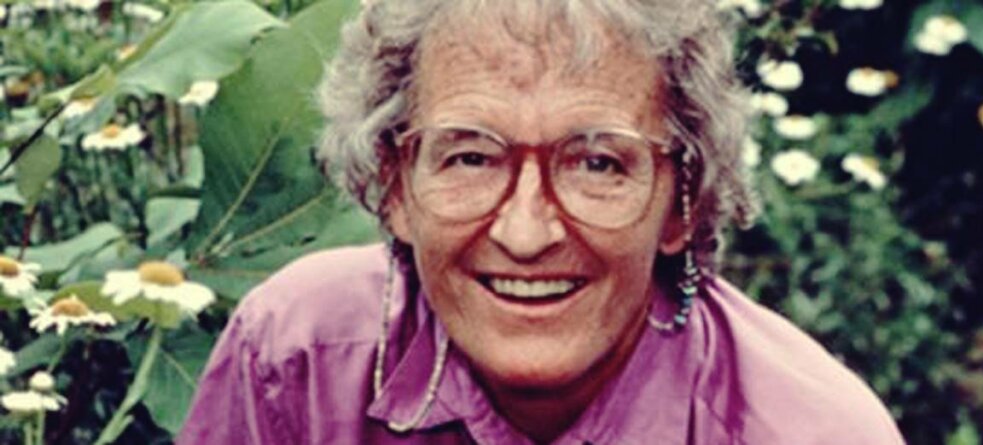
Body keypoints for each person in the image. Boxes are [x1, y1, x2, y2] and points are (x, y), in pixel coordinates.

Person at [179, 0, 906, 443]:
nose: (526, 234)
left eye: (597, 163)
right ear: (394, 183)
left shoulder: (813, 433)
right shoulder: (296, 359)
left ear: (682, 198)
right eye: (470, 157)